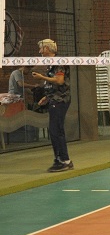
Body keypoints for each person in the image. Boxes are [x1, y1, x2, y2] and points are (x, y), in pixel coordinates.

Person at [32, 39, 73, 172]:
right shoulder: (50, 65)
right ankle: (60, 159)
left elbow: (59, 81)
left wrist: (41, 77)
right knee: (54, 131)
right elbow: (53, 84)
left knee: (56, 131)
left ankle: (64, 160)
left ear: (47, 49)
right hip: (54, 99)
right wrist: (47, 97)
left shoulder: (59, 62)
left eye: (41, 48)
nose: (40, 51)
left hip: (60, 101)